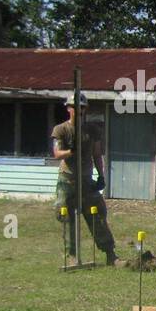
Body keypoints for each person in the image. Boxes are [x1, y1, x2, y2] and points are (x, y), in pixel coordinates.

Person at [52, 95, 117, 265]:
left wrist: (101, 175)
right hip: (67, 181)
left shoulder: (92, 130)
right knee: (67, 218)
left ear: (85, 109)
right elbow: (57, 153)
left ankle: (110, 254)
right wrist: (70, 151)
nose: (78, 110)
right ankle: (72, 257)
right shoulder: (61, 130)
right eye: (74, 107)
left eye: (81, 107)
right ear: (68, 108)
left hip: (87, 180)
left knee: (98, 215)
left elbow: (97, 154)